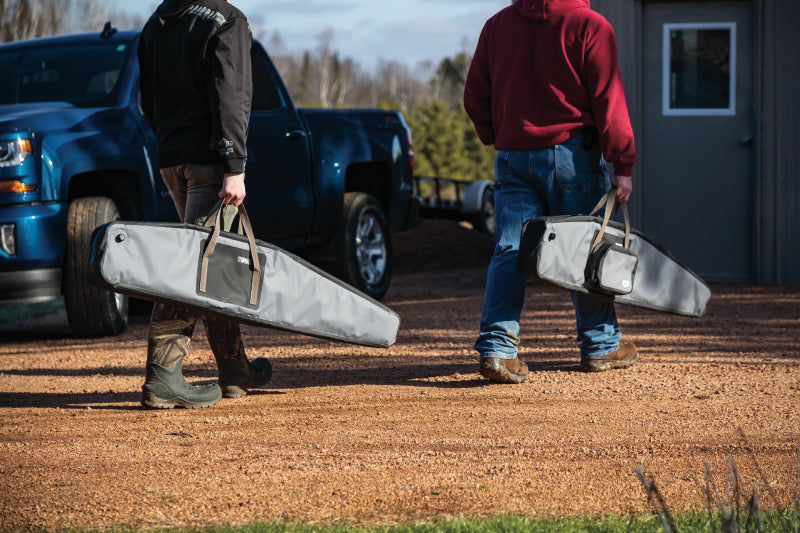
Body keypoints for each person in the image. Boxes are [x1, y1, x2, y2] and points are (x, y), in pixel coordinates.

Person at [464, 0, 639, 383]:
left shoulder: (497, 26)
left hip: (513, 155)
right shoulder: (590, 26)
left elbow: (475, 95)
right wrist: (621, 164)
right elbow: (608, 101)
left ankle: (497, 348)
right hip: (572, 156)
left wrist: (497, 134)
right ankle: (601, 344)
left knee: (511, 247)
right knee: (585, 250)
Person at [137, 0, 271, 408]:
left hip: (172, 158)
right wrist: (234, 165)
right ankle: (162, 378)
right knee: (193, 267)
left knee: (214, 264)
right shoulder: (227, 19)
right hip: (211, 164)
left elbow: (147, 99)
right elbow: (231, 93)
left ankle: (235, 370)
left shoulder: (157, 20)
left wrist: (171, 142)